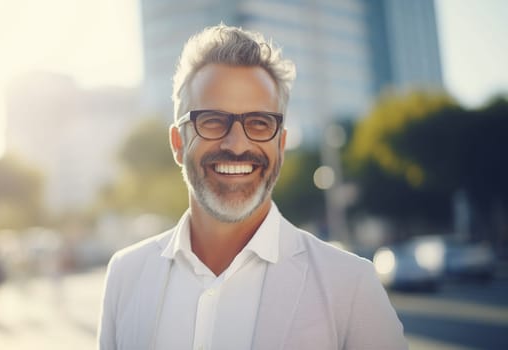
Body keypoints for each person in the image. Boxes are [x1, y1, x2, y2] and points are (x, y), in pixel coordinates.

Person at [97, 24, 408, 350]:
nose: (236, 144)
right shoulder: (125, 274)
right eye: (213, 120)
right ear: (178, 143)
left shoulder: (350, 284)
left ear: (281, 144)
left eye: (259, 123)